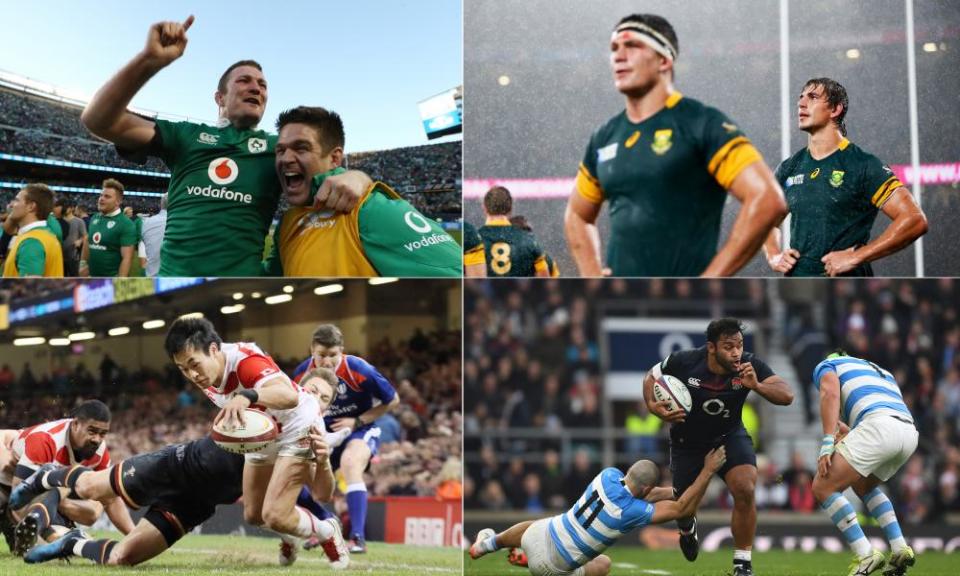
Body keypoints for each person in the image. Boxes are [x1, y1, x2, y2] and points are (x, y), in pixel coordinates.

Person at [81, 15, 372, 277]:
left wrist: (357, 177)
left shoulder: (279, 149)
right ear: (219, 97)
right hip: (172, 284)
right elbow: (98, 120)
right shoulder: (186, 136)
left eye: (262, 84)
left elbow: (330, 172)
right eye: (244, 81)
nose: (256, 88)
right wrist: (148, 60)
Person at [14, 370, 348, 568]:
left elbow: (321, 493)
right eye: (312, 389)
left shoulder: (307, 441)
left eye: (324, 397)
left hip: (197, 504)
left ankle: (69, 543)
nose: (314, 397)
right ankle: (42, 477)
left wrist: (320, 459)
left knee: (122, 558)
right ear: (296, 388)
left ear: (328, 406)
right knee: (91, 488)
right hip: (179, 465)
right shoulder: (268, 403)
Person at [564, 14, 787, 277]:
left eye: (633, 46)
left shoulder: (701, 123)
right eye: (614, 48)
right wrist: (591, 277)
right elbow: (577, 215)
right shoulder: (605, 137)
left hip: (685, 307)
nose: (618, 56)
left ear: (664, 60)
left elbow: (768, 200)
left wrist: (710, 280)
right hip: (620, 306)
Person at [161, 317, 344, 565]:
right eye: (183, 368)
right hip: (264, 433)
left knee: (275, 515)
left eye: (194, 364)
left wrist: (248, 395)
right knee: (254, 515)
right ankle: (291, 539)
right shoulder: (206, 375)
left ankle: (327, 531)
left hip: (297, 425)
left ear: (214, 350)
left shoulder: (246, 362)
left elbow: (289, 397)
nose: (192, 374)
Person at [642, 318, 794, 576]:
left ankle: (742, 564)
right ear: (711, 348)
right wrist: (651, 405)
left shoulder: (748, 365)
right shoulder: (685, 361)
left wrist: (756, 385)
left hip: (729, 435)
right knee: (684, 505)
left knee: (745, 488)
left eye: (739, 345)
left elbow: (787, 395)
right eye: (728, 346)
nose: (736, 352)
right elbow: (651, 376)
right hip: (687, 443)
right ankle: (687, 527)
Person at [263, 106, 461, 277]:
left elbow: (456, 273)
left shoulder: (371, 209)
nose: (286, 158)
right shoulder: (288, 222)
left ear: (334, 158)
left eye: (301, 148)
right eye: (280, 150)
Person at [469, 448, 727, 576]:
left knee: (541, 524)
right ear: (646, 487)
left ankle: (488, 544)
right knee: (604, 565)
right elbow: (682, 508)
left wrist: (675, 490)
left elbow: (646, 491)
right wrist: (708, 471)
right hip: (549, 569)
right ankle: (528, 560)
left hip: (535, 537)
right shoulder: (630, 512)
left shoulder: (608, 475)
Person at [764, 78, 928, 277]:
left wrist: (858, 256)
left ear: (835, 109)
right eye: (801, 97)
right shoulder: (789, 167)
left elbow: (914, 219)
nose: (801, 103)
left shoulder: (863, 164)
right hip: (800, 291)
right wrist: (773, 254)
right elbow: (765, 220)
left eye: (813, 97)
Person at [292, 324, 399, 553]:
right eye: (321, 355)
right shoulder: (302, 374)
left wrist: (357, 421)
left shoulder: (360, 370)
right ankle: (324, 526)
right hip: (322, 432)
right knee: (301, 475)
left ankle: (357, 538)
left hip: (359, 429)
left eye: (333, 355)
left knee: (351, 463)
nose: (327, 361)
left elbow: (393, 400)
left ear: (342, 350)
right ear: (312, 350)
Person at [811, 352, 918, 576]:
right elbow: (877, 409)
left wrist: (827, 442)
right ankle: (899, 547)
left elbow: (829, 393)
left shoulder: (828, 364)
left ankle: (865, 554)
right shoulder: (882, 372)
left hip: (879, 427)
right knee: (864, 485)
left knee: (823, 487)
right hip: (908, 432)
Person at [7, 401, 134, 556]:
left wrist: (135, 537)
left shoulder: (99, 451)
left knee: (91, 510)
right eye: (92, 431)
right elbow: (17, 501)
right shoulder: (46, 440)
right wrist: (46, 539)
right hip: (6, 475)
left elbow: (110, 500)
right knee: (53, 544)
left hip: (41, 489)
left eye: (102, 434)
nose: (97, 440)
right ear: (75, 425)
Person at [479, 186, 549, 277]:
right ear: (511, 208)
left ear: (484, 208)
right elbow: (544, 281)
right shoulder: (529, 241)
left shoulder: (472, 241)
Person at [1, 184, 64, 278]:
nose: (11, 205)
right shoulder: (45, 234)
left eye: (17, 200)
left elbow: (30, 290)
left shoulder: (31, 242)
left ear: (31, 206)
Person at [81, 179, 137, 277]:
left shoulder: (126, 224)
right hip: (90, 280)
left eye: (107, 196)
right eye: (101, 195)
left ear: (118, 201)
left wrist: (118, 284)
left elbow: (127, 258)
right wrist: (83, 264)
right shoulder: (94, 218)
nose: (101, 199)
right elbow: (87, 241)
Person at [138, 193, 167, 276]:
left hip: (152, 277)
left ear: (161, 205)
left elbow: (143, 246)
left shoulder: (146, 223)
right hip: (175, 280)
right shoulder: (183, 223)